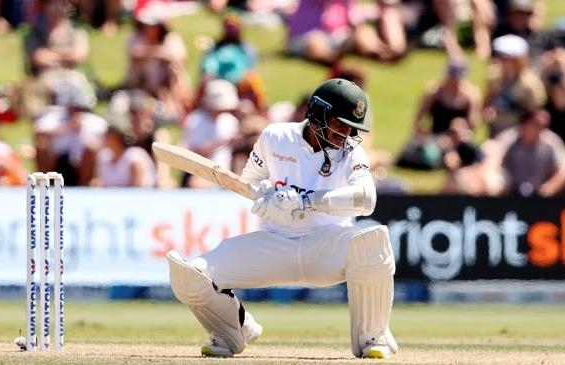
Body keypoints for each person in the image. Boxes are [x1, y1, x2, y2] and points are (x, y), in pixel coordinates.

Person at [166, 78, 398, 359]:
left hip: (326, 247)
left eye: (352, 127)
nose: (345, 132)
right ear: (318, 113)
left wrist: (305, 201)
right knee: (190, 275)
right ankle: (233, 329)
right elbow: (249, 183)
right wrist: (264, 197)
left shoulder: (351, 151)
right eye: (340, 122)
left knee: (372, 241)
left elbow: (366, 199)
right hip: (274, 243)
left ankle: (373, 337)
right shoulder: (275, 137)